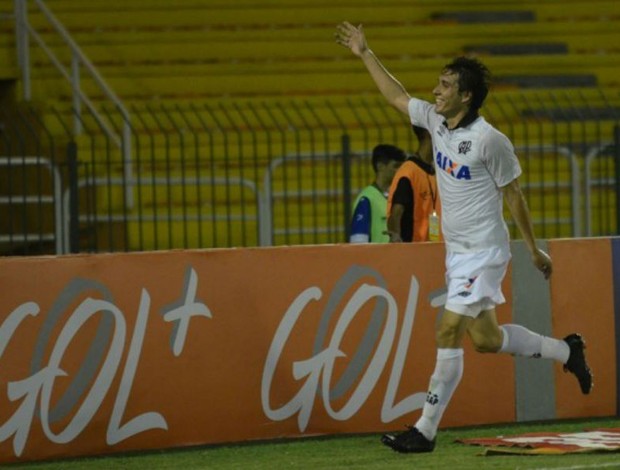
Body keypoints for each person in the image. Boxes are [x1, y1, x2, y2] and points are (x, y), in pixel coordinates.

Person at [335, 22, 593, 453]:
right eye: (438, 82)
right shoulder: (436, 121)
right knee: (486, 340)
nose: (436, 90)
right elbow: (397, 96)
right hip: (457, 253)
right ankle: (568, 352)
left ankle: (425, 430)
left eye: (445, 85)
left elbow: (514, 196)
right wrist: (364, 52)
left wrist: (531, 250)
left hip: (485, 252)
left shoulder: (490, 141)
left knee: (448, 328)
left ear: (466, 96)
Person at [386, 125, 441, 243]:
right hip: (413, 249)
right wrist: (395, 238)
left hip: (431, 249)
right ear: (428, 134)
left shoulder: (433, 171)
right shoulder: (409, 172)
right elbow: (396, 212)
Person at [350, 144, 406, 243]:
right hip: (377, 258)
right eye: (395, 166)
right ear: (380, 166)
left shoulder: (397, 197)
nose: (400, 171)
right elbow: (358, 242)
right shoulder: (366, 199)